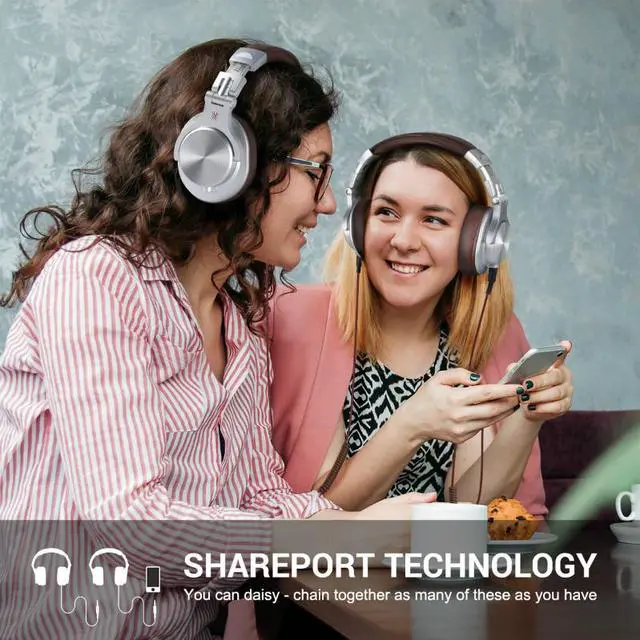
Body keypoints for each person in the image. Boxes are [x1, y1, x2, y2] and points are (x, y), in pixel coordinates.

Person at [0, 41, 434, 639]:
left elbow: (262, 498)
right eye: (316, 172)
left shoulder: (239, 327)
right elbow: (131, 524)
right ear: (225, 162)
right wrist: (340, 536)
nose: (329, 203)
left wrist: (381, 528)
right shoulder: (95, 278)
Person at [268, 132, 575, 514]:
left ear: (477, 242)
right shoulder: (293, 318)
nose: (404, 240)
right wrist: (413, 424)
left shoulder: (495, 334)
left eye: (433, 220)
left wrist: (528, 417)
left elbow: (475, 509)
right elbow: (316, 516)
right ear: (358, 225)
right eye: (387, 212)